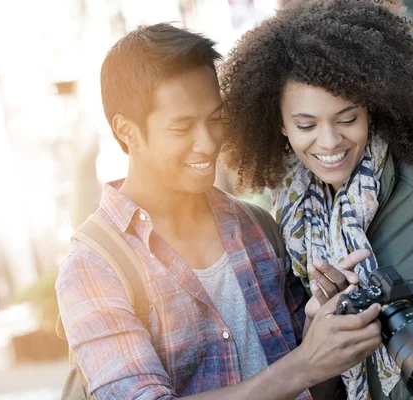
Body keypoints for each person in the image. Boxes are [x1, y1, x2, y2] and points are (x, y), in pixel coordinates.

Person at [220, 1, 413, 399]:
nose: (330, 142)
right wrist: (318, 328)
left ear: (372, 107)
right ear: (281, 125)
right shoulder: (292, 223)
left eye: (347, 118)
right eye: (306, 125)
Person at [56, 23, 384, 400]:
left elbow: (314, 388)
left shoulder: (256, 226)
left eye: (215, 119)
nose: (208, 142)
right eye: (182, 128)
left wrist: (323, 328)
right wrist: (305, 363)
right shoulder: (93, 268)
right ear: (127, 131)